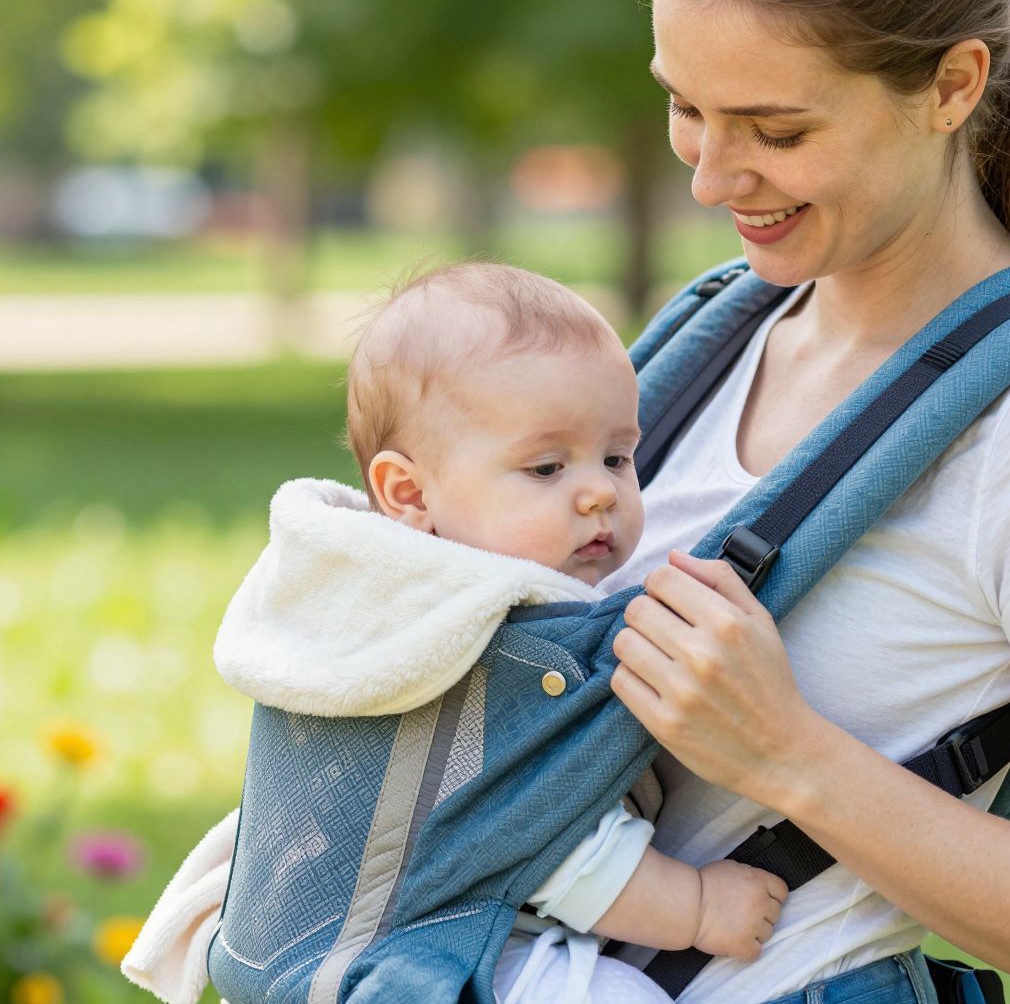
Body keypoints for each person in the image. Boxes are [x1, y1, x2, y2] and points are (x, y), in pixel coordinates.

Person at [591, 0, 1010, 1001]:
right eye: (686, 107)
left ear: (953, 86)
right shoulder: (711, 338)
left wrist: (787, 754)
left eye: (777, 130)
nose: (711, 177)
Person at [212, 261, 785, 1004]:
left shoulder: (373, 611)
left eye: (618, 456)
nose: (599, 491)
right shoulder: (492, 647)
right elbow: (550, 839)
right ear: (410, 493)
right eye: (547, 466)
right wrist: (699, 907)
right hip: (419, 960)